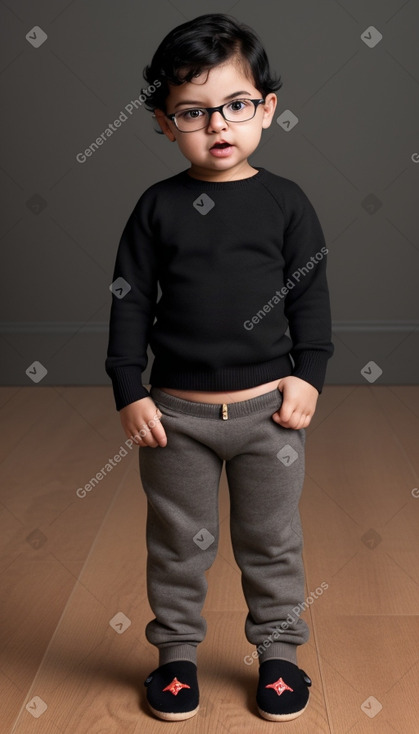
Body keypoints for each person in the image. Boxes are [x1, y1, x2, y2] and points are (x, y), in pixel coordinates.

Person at [105, 12, 333, 723]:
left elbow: (310, 298)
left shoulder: (285, 202)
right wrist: (126, 389)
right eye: (192, 113)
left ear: (266, 106)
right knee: (176, 545)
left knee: (271, 541)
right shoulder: (156, 208)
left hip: (268, 413)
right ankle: (174, 658)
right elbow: (130, 302)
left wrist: (308, 374)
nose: (217, 125)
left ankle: (278, 654)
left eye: (235, 105)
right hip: (176, 418)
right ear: (163, 123)